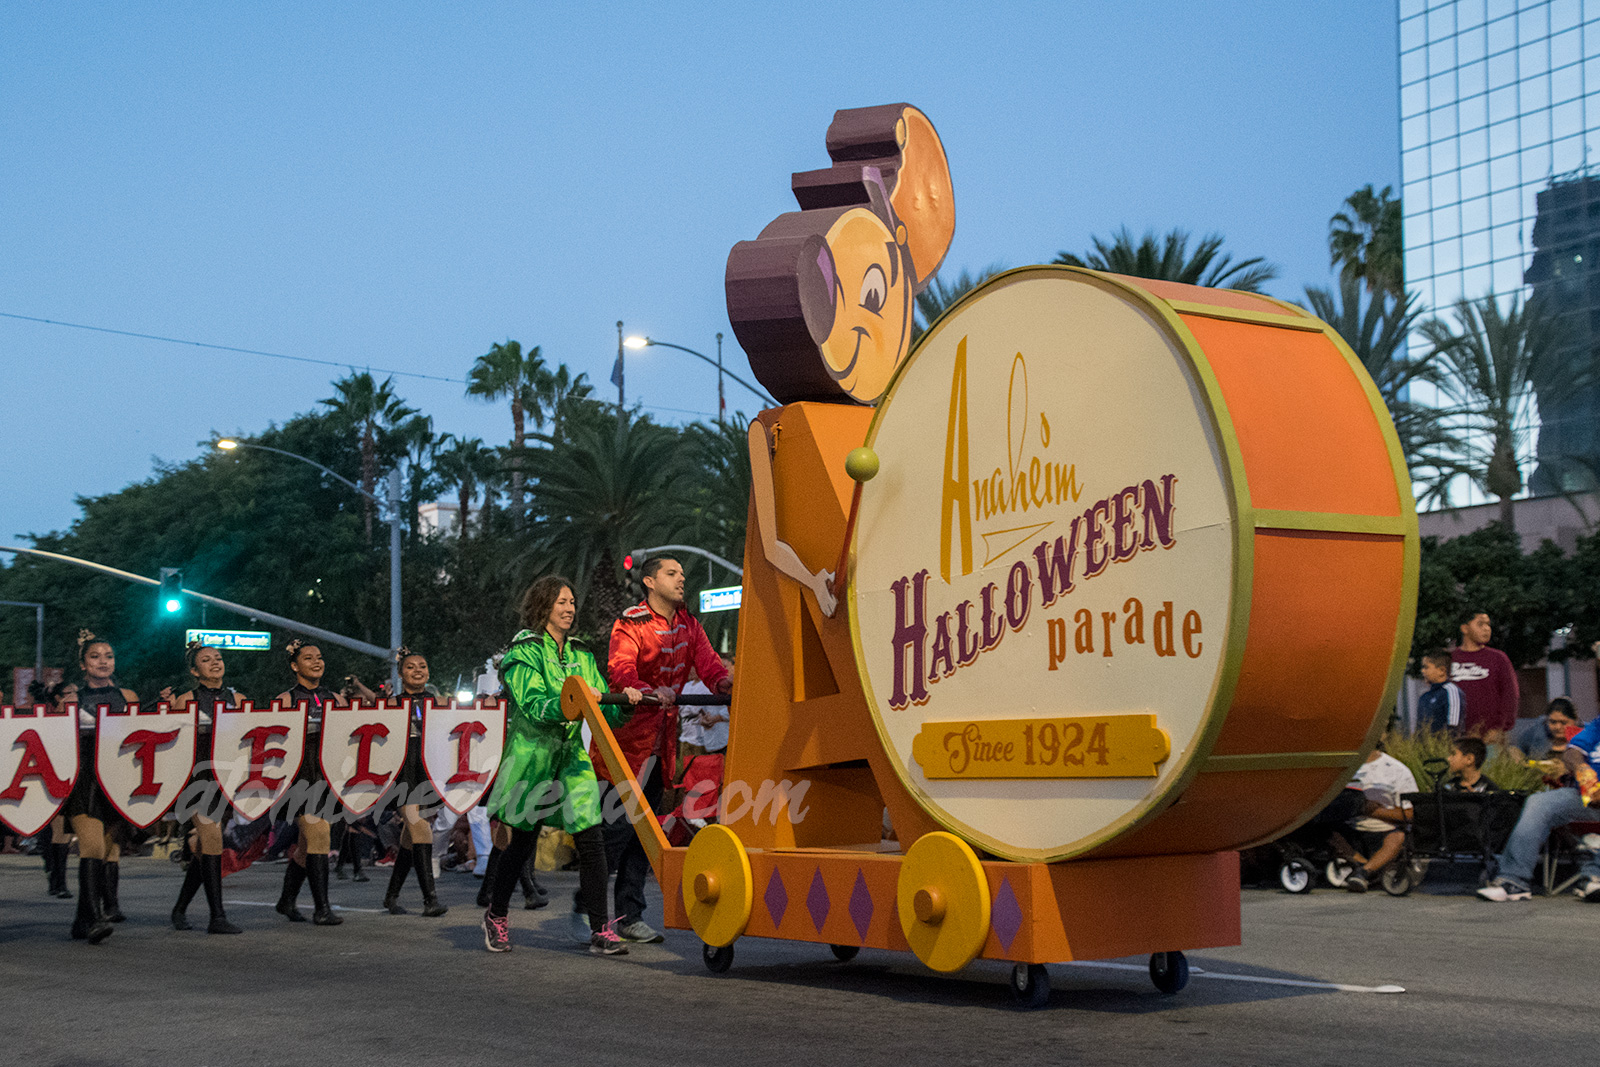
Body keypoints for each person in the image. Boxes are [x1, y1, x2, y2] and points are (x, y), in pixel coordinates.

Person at [481, 575, 637, 956]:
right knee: (520, 843)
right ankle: (496, 914)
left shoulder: (582, 654)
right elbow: (533, 705)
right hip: (531, 755)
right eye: (561, 602)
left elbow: (606, 714)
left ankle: (601, 929)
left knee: (591, 834)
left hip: (570, 757)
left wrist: (626, 701)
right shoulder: (524, 650)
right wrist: (578, 699)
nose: (569, 608)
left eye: (572, 602)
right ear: (543, 606)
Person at [599, 557, 731, 943]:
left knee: (647, 831)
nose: (681, 580)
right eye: (672, 574)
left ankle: (629, 915)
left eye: (682, 575)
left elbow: (709, 666)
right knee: (618, 828)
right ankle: (588, 904)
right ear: (649, 581)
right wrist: (647, 689)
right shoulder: (631, 622)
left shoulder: (690, 624)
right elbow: (620, 671)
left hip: (664, 743)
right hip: (627, 742)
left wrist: (726, 683)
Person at [161, 641, 244, 934]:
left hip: (226, 779)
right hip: (195, 779)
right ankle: (217, 916)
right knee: (210, 838)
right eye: (207, 660)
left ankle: (180, 908)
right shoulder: (186, 699)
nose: (215, 663)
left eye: (218, 658)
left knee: (204, 845)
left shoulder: (240, 698)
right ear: (195, 671)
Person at [63, 630, 138, 943]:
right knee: (92, 846)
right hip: (83, 780)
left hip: (118, 780)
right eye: (95, 656)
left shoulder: (129, 697)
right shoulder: (71, 699)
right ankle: (94, 919)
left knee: (106, 850)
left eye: (108, 656)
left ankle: (81, 920)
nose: (103, 661)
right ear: (83, 664)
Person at [1479, 711, 1600, 902]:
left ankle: (1594, 874)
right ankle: (1514, 881)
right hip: (1586, 796)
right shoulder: (1597, 725)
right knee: (1539, 802)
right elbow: (1572, 752)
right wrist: (1582, 769)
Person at [272, 639, 345, 926]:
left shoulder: (337, 699)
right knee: (319, 835)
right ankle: (322, 908)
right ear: (294, 665)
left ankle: (286, 900)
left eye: (319, 657)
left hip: (327, 776)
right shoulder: (285, 699)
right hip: (298, 777)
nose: (316, 662)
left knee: (306, 845)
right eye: (308, 658)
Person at [378, 647, 448, 918]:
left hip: (429, 769)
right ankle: (430, 900)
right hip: (401, 771)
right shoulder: (392, 705)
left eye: (422, 665)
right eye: (410, 667)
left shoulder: (440, 702)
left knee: (411, 835)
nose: (418, 670)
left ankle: (391, 896)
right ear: (399, 673)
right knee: (419, 828)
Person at [1343, 741, 1417, 893]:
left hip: (1384, 829)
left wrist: (1373, 811)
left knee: (1398, 838)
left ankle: (1364, 871)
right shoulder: (1343, 767)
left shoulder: (1397, 770)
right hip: (1351, 826)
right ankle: (1365, 866)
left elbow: (1410, 814)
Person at [26, 678, 77, 900]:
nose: (76, 695)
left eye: (77, 692)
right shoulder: (49, 718)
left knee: (62, 832)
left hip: (74, 777)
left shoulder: (82, 717)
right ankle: (58, 880)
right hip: (49, 777)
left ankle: (57, 879)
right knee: (57, 831)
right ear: (58, 697)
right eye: (70, 692)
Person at [1451, 609, 1519, 740]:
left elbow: (1510, 694)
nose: (1487, 629)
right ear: (1464, 628)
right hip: (1457, 737)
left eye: (1488, 625)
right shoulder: (1451, 658)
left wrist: (1501, 727)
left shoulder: (1498, 658)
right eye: (1480, 624)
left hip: (1490, 736)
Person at [1508, 698, 1581, 760]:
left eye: (1563, 723)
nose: (1558, 727)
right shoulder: (1537, 732)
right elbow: (1517, 748)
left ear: (1575, 721)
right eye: (1553, 722)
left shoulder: (1584, 736)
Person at [1414, 649, 1463, 733]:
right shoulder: (1425, 697)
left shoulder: (1450, 691)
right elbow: (1419, 729)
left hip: (1442, 745)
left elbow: (1454, 727)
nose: (1423, 671)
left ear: (1441, 671)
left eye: (1426, 667)